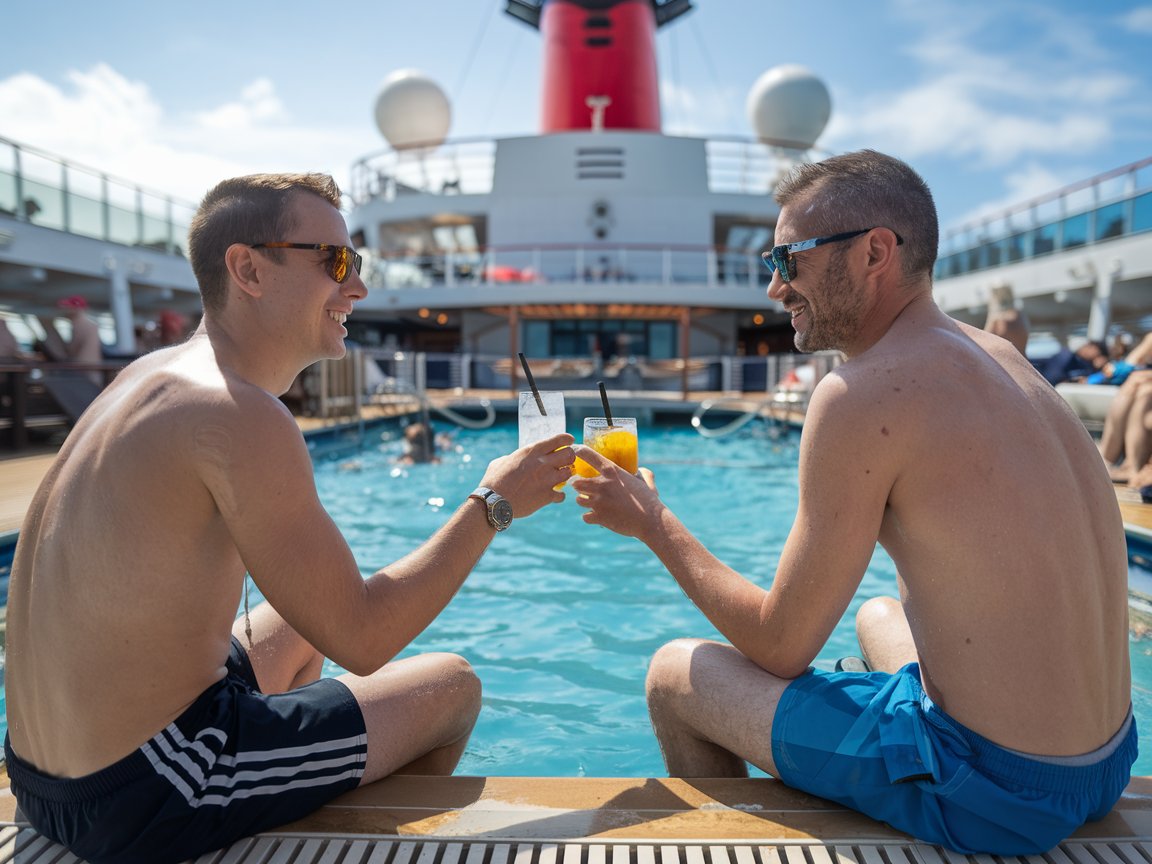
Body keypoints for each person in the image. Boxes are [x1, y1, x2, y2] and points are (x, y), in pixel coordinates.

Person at [571, 150, 1135, 855]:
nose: (775, 287)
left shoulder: (861, 392)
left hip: (996, 791)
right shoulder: (1003, 359)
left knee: (674, 675)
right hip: (1105, 763)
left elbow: (781, 646)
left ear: (874, 252)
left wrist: (654, 524)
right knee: (877, 613)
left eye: (789, 259)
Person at [3, 172, 576, 864]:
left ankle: (286, 811)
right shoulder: (237, 414)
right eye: (333, 261)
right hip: (148, 791)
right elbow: (365, 639)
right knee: (448, 685)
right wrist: (493, 504)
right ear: (247, 268)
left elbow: (328, 620)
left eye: (355, 262)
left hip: (39, 780)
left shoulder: (149, 378)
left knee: (294, 632)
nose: (357, 287)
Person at [38, 295, 105, 385]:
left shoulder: (80, 325)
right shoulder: (88, 324)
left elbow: (70, 352)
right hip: (90, 372)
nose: (65, 310)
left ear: (76, 309)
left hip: (85, 374)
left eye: (68, 307)